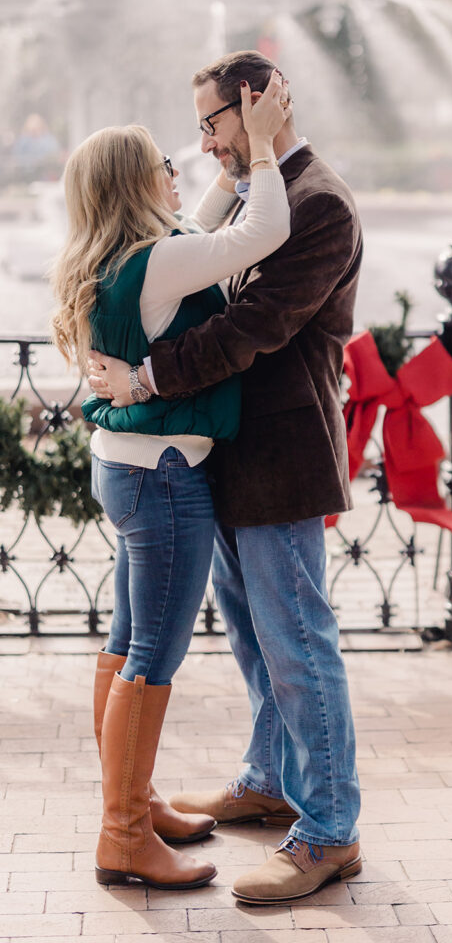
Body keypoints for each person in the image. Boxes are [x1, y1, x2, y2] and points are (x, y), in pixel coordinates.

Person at [88, 50, 363, 905]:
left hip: (283, 458)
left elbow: (252, 327)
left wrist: (147, 380)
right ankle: (270, 779)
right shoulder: (260, 192)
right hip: (233, 458)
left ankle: (327, 832)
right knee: (255, 642)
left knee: (298, 646)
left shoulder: (317, 205)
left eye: (214, 121)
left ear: (259, 107)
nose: (204, 142)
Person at [51, 71, 291, 891]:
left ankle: (137, 803)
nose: (179, 164)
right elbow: (258, 232)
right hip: (163, 475)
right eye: (163, 158)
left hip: (126, 471)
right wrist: (258, 147)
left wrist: (232, 164)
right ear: (134, 181)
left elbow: (207, 223)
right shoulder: (159, 262)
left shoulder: (120, 259)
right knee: (154, 651)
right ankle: (122, 834)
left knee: (126, 642)